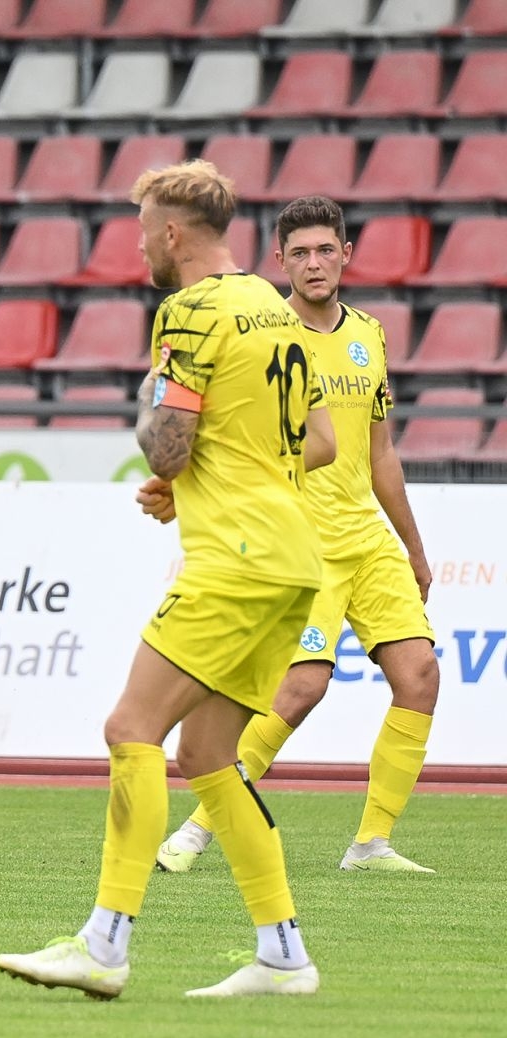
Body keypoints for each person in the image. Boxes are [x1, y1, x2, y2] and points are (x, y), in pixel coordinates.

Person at [0, 160, 338, 1000]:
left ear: (174, 233)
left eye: (145, 230)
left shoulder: (187, 312)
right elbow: (320, 442)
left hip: (236, 561)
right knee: (209, 756)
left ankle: (103, 945)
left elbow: (171, 445)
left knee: (130, 729)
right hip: (293, 560)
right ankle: (283, 954)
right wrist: (192, 487)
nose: (142, 245)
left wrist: (150, 408)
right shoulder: (276, 308)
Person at [155, 196, 438, 876]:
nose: (315, 263)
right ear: (279, 260)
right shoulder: (267, 333)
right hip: (301, 540)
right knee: (299, 690)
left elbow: (381, 452)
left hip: (367, 539)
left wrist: (413, 546)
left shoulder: (369, 334)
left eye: (325, 250)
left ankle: (370, 845)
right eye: (301, 252)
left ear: (346, 255)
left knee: (420, 676)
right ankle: (196, 829)